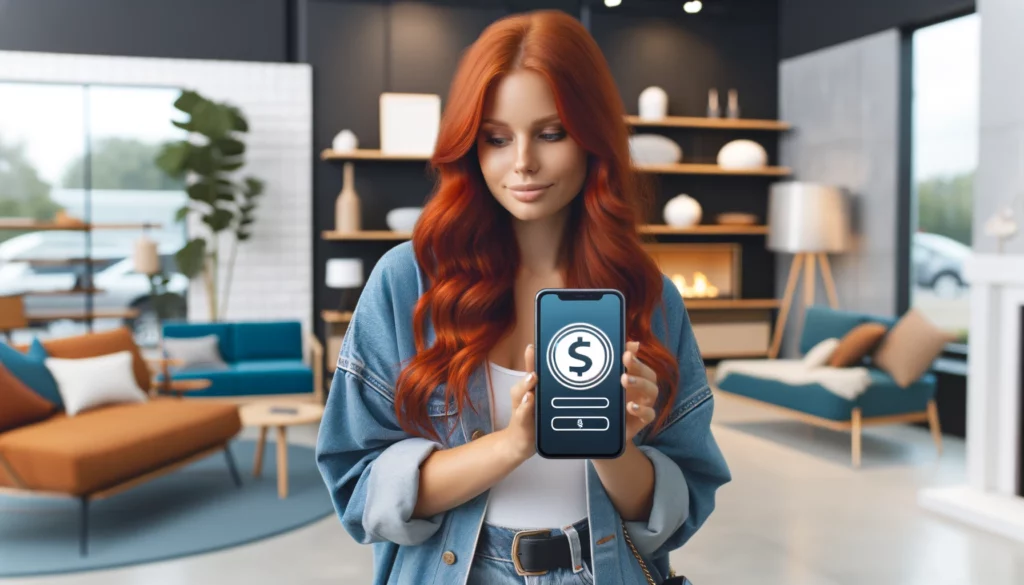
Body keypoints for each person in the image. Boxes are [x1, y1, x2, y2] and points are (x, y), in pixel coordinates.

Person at [316, 10, 731, 585]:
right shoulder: (406, 283)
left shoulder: (649, 296)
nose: (523, 163)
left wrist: (614, 445)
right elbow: (357, 489)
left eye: (551, 132)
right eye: (496, 138)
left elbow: (677, 512)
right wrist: (513, 444)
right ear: (471, 145)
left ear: (592, 138)